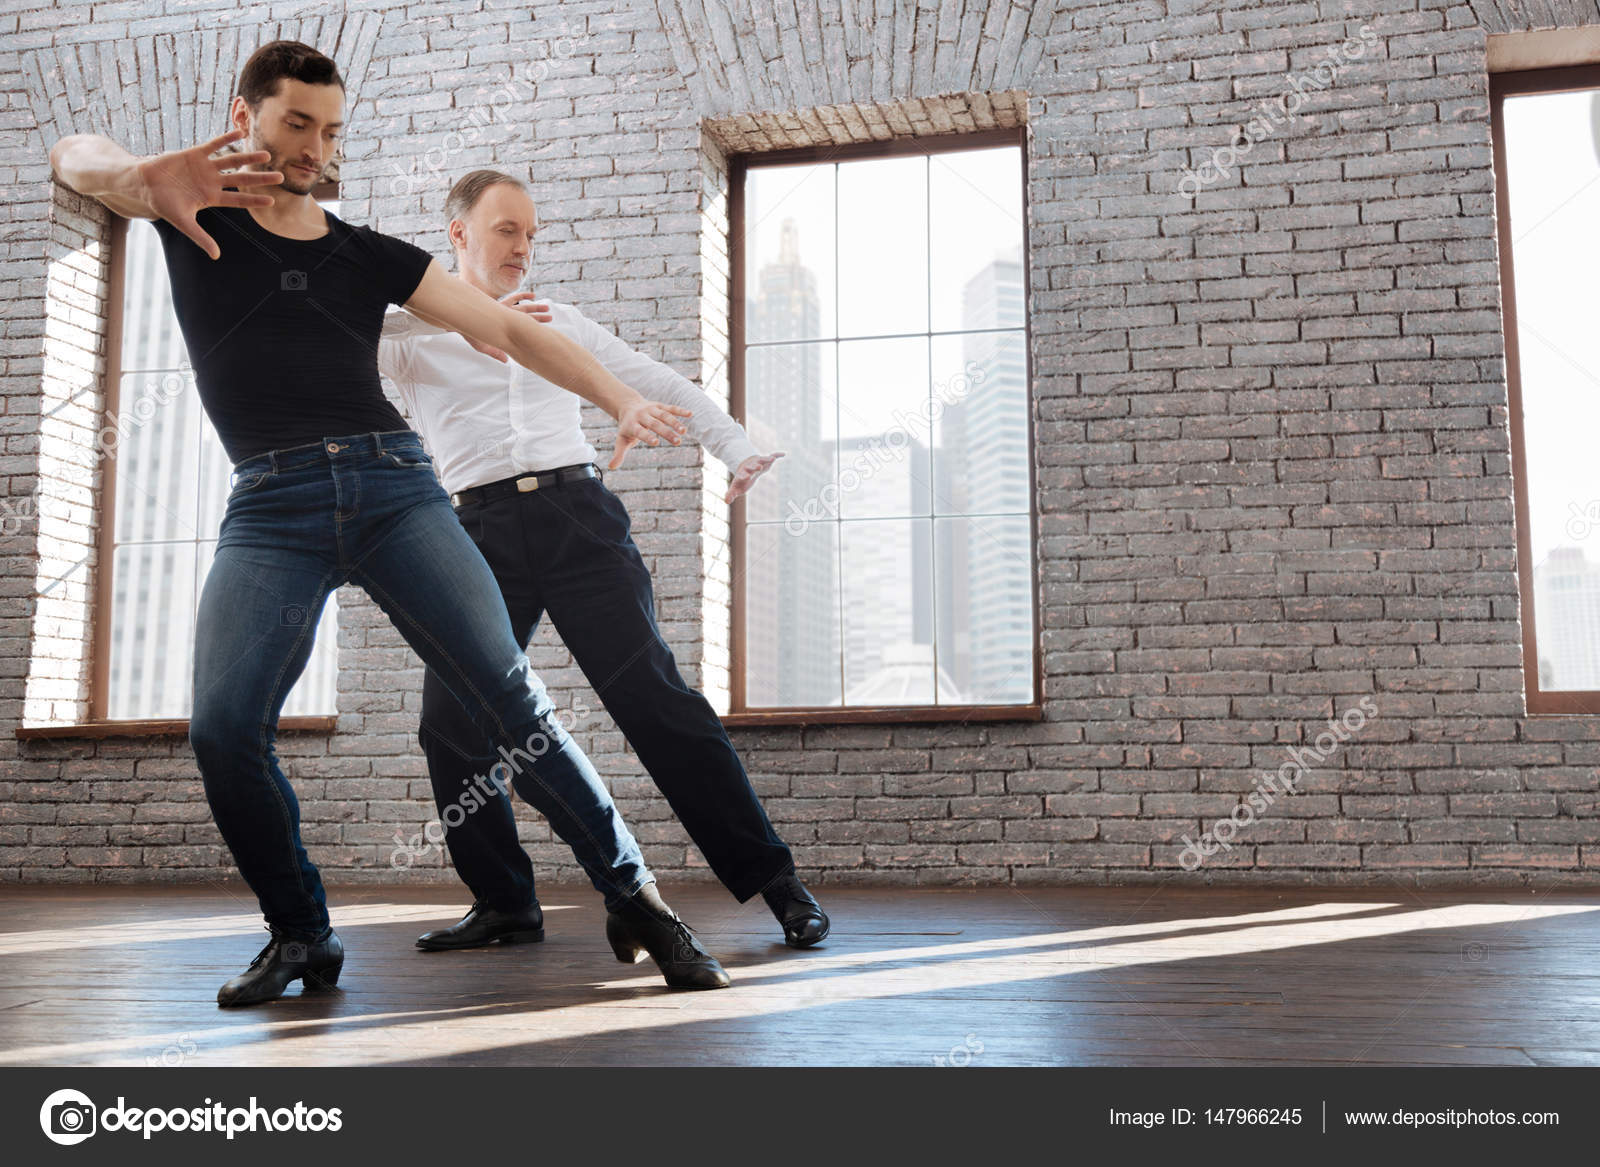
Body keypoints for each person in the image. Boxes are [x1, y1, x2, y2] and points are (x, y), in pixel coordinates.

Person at [47, 40, 730, 1005]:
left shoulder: (366, 253)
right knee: (223, 728)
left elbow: (509, 328)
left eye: (330, 131)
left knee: (512, 700)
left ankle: (639, 900)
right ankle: (301, 935)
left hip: (393, 488)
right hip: (270, 504)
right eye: (296, 123)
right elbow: (71, 155)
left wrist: (618, 397)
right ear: (244, 117)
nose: (314, 147)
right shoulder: (188, 211)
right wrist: (138, 173)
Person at [377, 169, 830, 954]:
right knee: (450, 723)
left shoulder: (561, 321)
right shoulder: (409, 341)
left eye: (530, 234)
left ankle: (779, 884)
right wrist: (459, 317)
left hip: (577, 520)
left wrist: (734, 446)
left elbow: (654, 381)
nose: (522, 248)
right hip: (476, 533)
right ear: (458, 234)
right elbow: (336, 323)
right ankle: (504, 902)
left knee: (655, 700)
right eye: (506, 230)